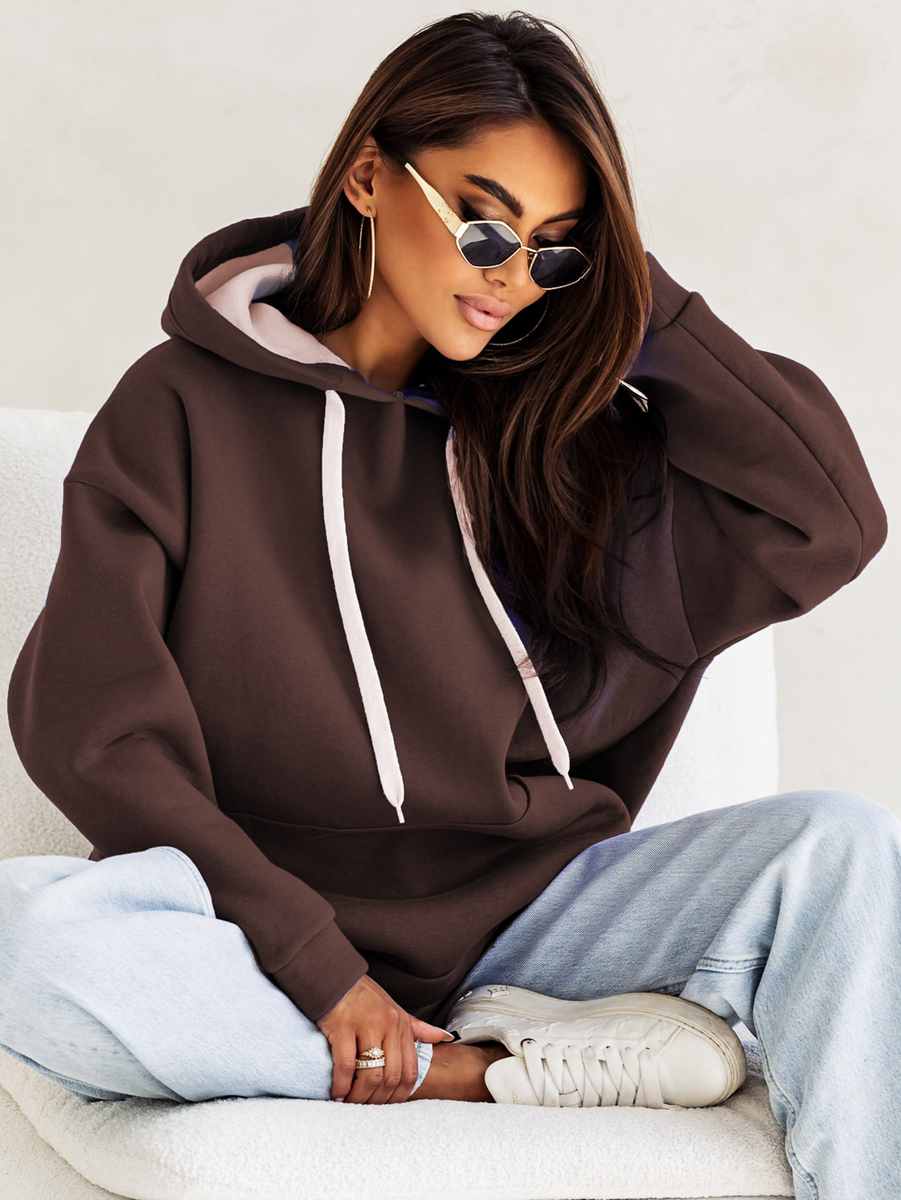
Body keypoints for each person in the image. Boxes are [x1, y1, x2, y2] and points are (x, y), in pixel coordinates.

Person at [0, 9, 894, 1197]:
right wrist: (317, 965)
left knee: (839, 847)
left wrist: (636, 303)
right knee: (21, 936)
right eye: (484, 226)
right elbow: (93, 730)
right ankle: (463, 1073)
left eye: (554, 250)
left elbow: (827, 522)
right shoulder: (177, 409)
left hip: (536, 924)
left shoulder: (555, 437)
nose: (511, 279)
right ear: (368, 175)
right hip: (255, 938)